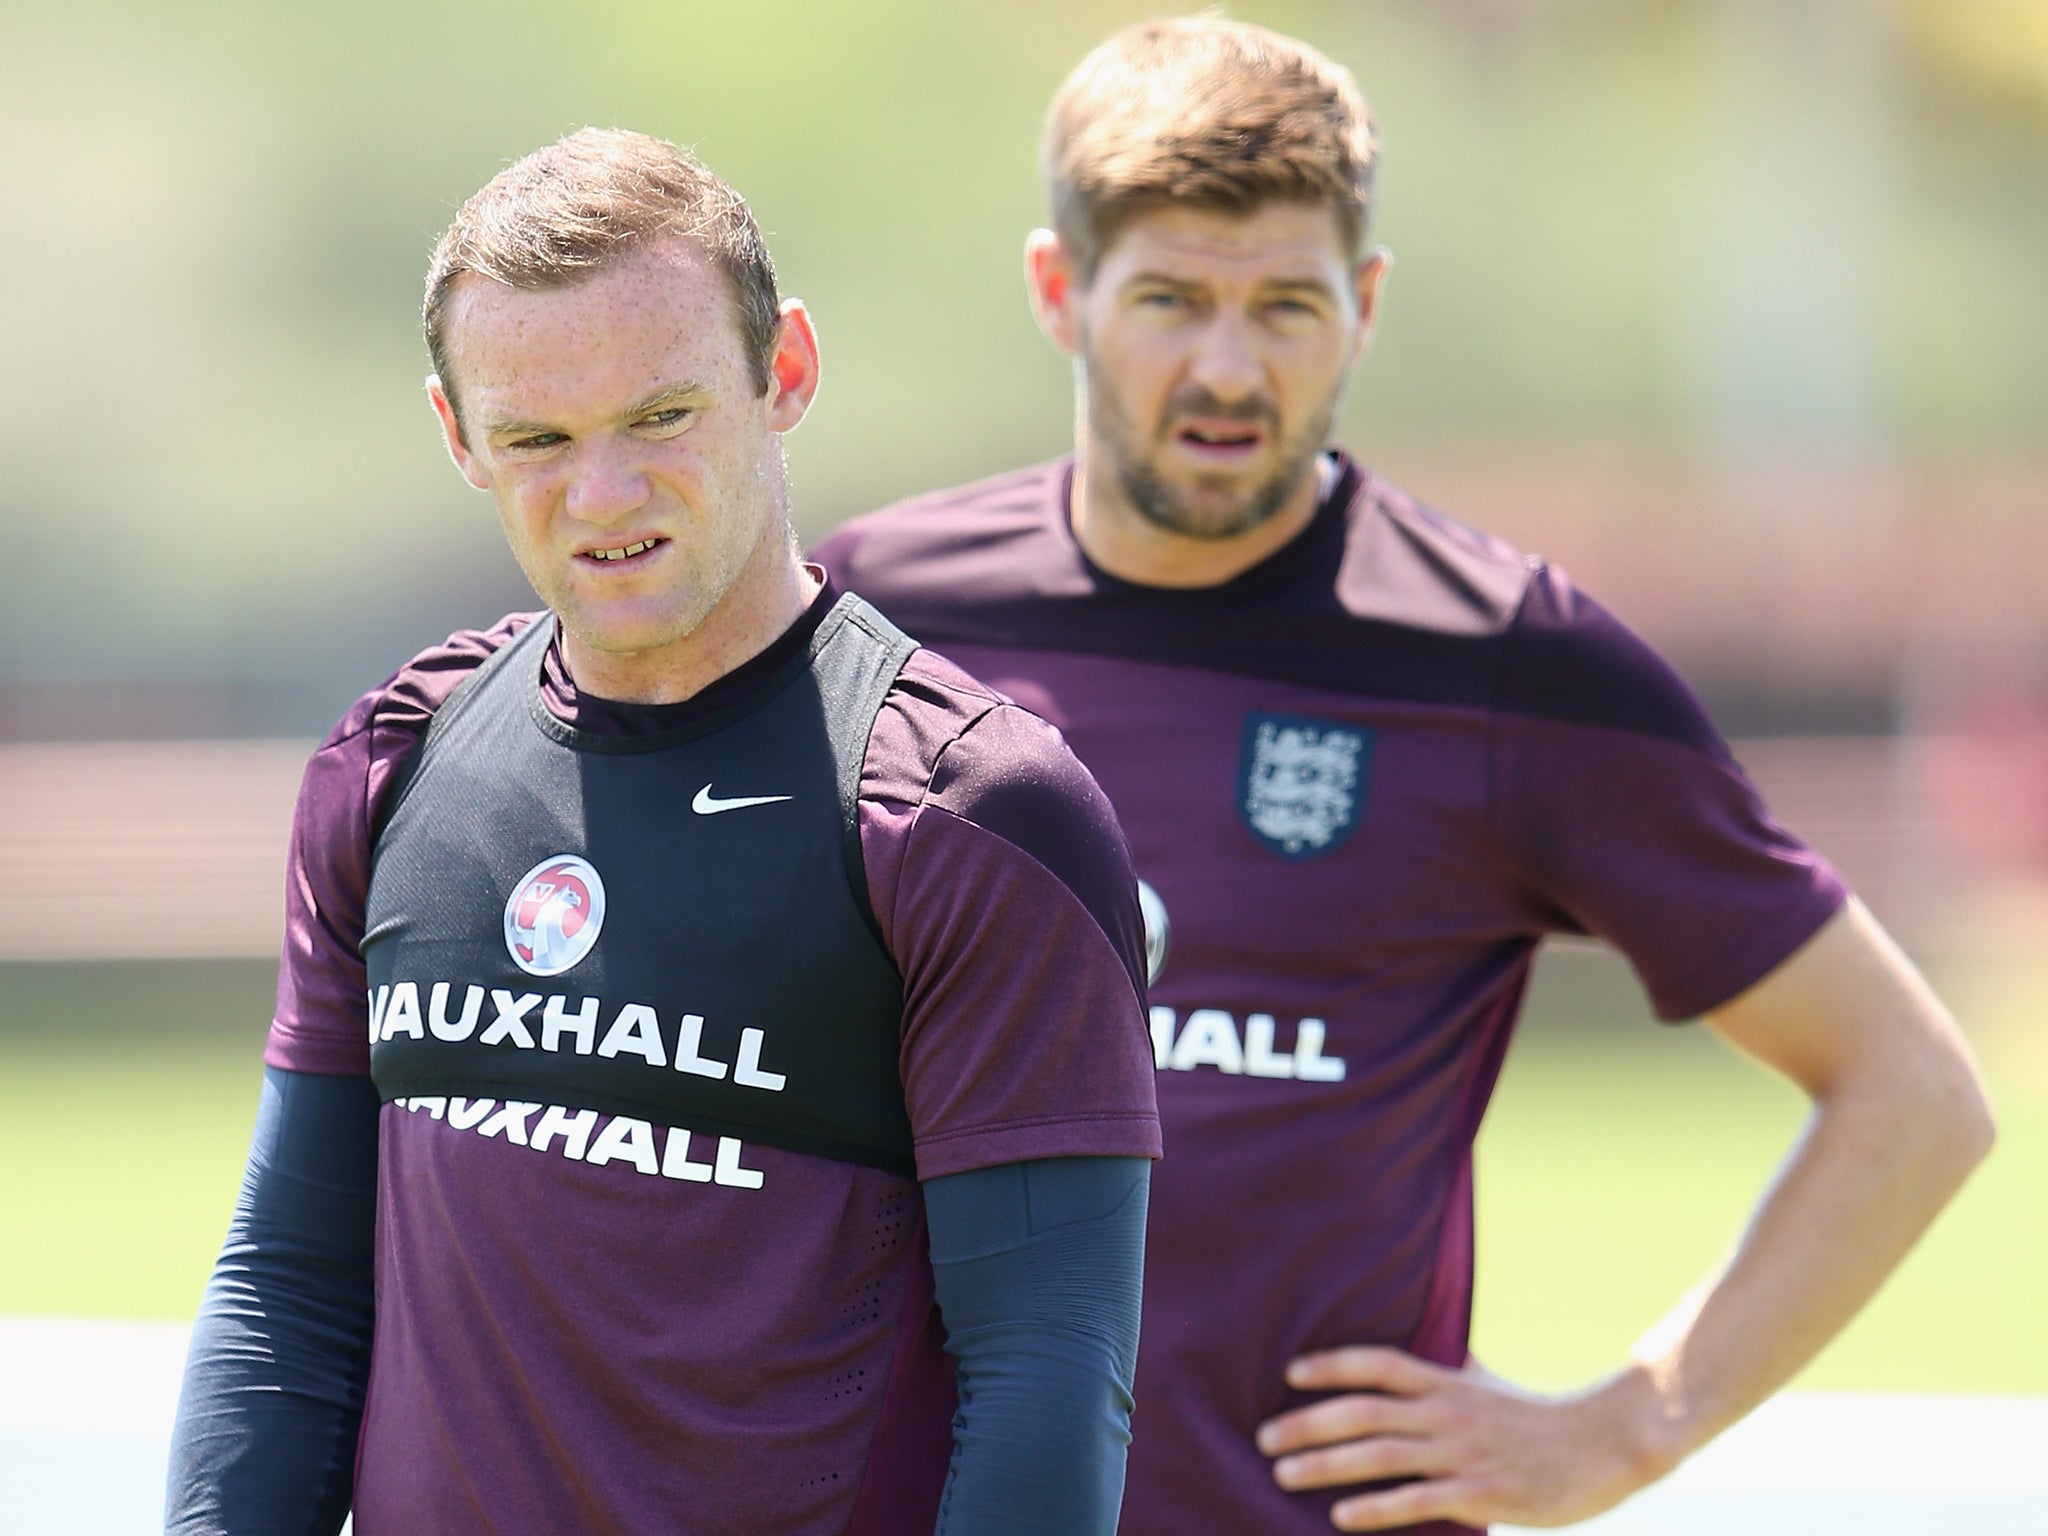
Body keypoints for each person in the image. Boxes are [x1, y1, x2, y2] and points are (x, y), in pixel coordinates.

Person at [814, 18, 1995, 1536]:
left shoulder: (1505, 665)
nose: (1229, 366)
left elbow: (1913, 1093)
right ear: (1062, 291)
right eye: (1171, 298)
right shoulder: (881, 617)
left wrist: (1630, 1427)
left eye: (1287, 305)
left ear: (1365, 305)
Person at [166, 128, 1162, 1536]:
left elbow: (1050, 1381)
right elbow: (292, 1288)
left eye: (662, 417)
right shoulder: (396, 763)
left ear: (786, 373)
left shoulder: (973, 817)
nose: (606, 494)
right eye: (538, 440)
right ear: (459, 436)